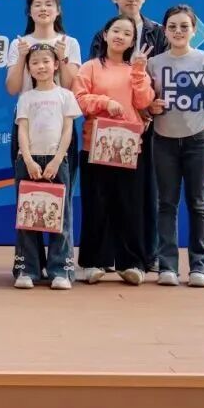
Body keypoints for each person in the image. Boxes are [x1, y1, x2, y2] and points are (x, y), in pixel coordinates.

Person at [147, 4, 204, 289]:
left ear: (194, 30)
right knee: (166, 204)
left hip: (199, 139)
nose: (178, 31)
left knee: (198, 204)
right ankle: (167, 267)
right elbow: (145, 101)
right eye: (172, 27)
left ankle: (200, 267)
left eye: (184, 26)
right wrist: (151, 106)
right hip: (163, 140)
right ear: (165, 31)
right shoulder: (154, 63)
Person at [88, 0, 169, 273]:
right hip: (110, 128)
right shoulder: (102, 34)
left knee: (144, 192)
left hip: (151, 122)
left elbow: (164, 74)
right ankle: (106, 257)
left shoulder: (158, 32)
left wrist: (149, 110)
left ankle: (147, 256)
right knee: (107, 193)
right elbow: (96, 76)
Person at [73, 15, 155, 286]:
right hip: (96, 145)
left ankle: (132, 263)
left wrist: (140, 72)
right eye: (116, 31)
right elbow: (79, 100)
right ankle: (93, 262)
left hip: (129, 146)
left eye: (127, 34)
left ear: (132, 42)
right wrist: (104, 103)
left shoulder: (135, 69)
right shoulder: (90, 67)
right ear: (105, 34)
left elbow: (144, 102)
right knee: (97, 204)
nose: (120, 36)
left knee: (130, 205)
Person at [5, 0, 83, 210]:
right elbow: (12, 88)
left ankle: (63, 235)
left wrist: (62, 57)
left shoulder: (69, 43)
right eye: (37, 4)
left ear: (58, 11)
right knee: (28, 197)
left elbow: (71, 86)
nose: (43, 9)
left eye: (49, 4)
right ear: (29, 12)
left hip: (60, 123)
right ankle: (29, 236)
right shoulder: (19, 44)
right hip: (26, 122)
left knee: (61, 195)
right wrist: (22, 57)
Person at [12, 44, 81, 290]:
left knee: (59, 215)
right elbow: (22, 130)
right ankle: (27, 270)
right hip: (28, 161)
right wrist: (28, 159)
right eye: (34, 62)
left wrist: (57, 159)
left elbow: (68, 131)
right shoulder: (26, 98)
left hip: (56, 161)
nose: (40, 66)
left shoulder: (66, 96)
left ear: (56, 65)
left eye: (45, 61)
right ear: (28, 68)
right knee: (28, 216)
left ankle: (60, 270)